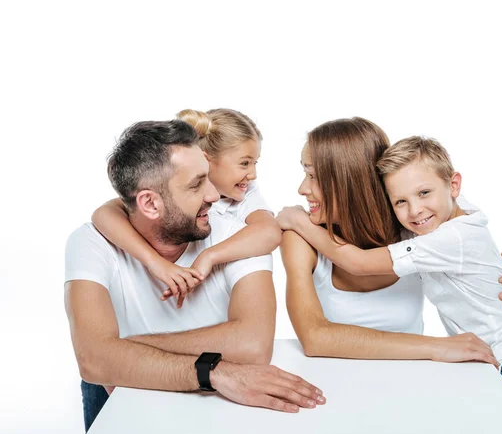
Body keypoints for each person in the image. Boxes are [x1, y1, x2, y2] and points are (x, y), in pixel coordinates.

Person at [278, 134, 502, 429]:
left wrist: (299, 221)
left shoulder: (434, 233)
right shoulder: (424, 222)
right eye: (400, 200)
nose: (415, 209)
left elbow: (358, 263)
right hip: (376, 389)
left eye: (313, 175)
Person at [65, 120, 324, 432]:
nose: (215, 195)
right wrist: (213, 371)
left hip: (215, 410)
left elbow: (254, 345)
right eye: (196, 184)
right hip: (128, 400)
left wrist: (126, 353)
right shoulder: (91, 243)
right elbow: (94, 361)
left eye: (209, 178)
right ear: (149, 203)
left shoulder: (239, 237)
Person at [276, 117, 502, 365]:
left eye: (313, 175)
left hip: (451, 379)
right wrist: (435, 346)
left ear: (351, 182)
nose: (302, 188)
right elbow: (314, 338)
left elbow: (461, 228)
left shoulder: (417, 226)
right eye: (305, 172)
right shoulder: (302, 238)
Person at [92, 108, 281, 308]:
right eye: (244, 163)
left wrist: (208, 256)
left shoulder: (246, 193)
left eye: (255, 163)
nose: (253, 174)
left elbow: (269, 232)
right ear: (206, 159)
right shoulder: (171, 189)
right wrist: (155, 263)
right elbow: (105, 214)